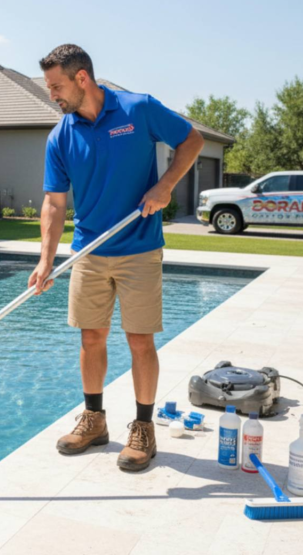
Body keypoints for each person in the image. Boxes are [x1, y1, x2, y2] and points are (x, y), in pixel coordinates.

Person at [29, 44, 204, 471]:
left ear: (81, 78)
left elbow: (192, 140)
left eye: (56, 86)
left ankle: (143, 428)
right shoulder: (62, 135)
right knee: (91, 338)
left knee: (139, 340)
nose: (52, 94)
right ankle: (94, 420)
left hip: (139, 248)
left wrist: (165, 186)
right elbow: (54, 203)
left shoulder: (137, 109)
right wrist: (45, 259)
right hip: (88, 251)